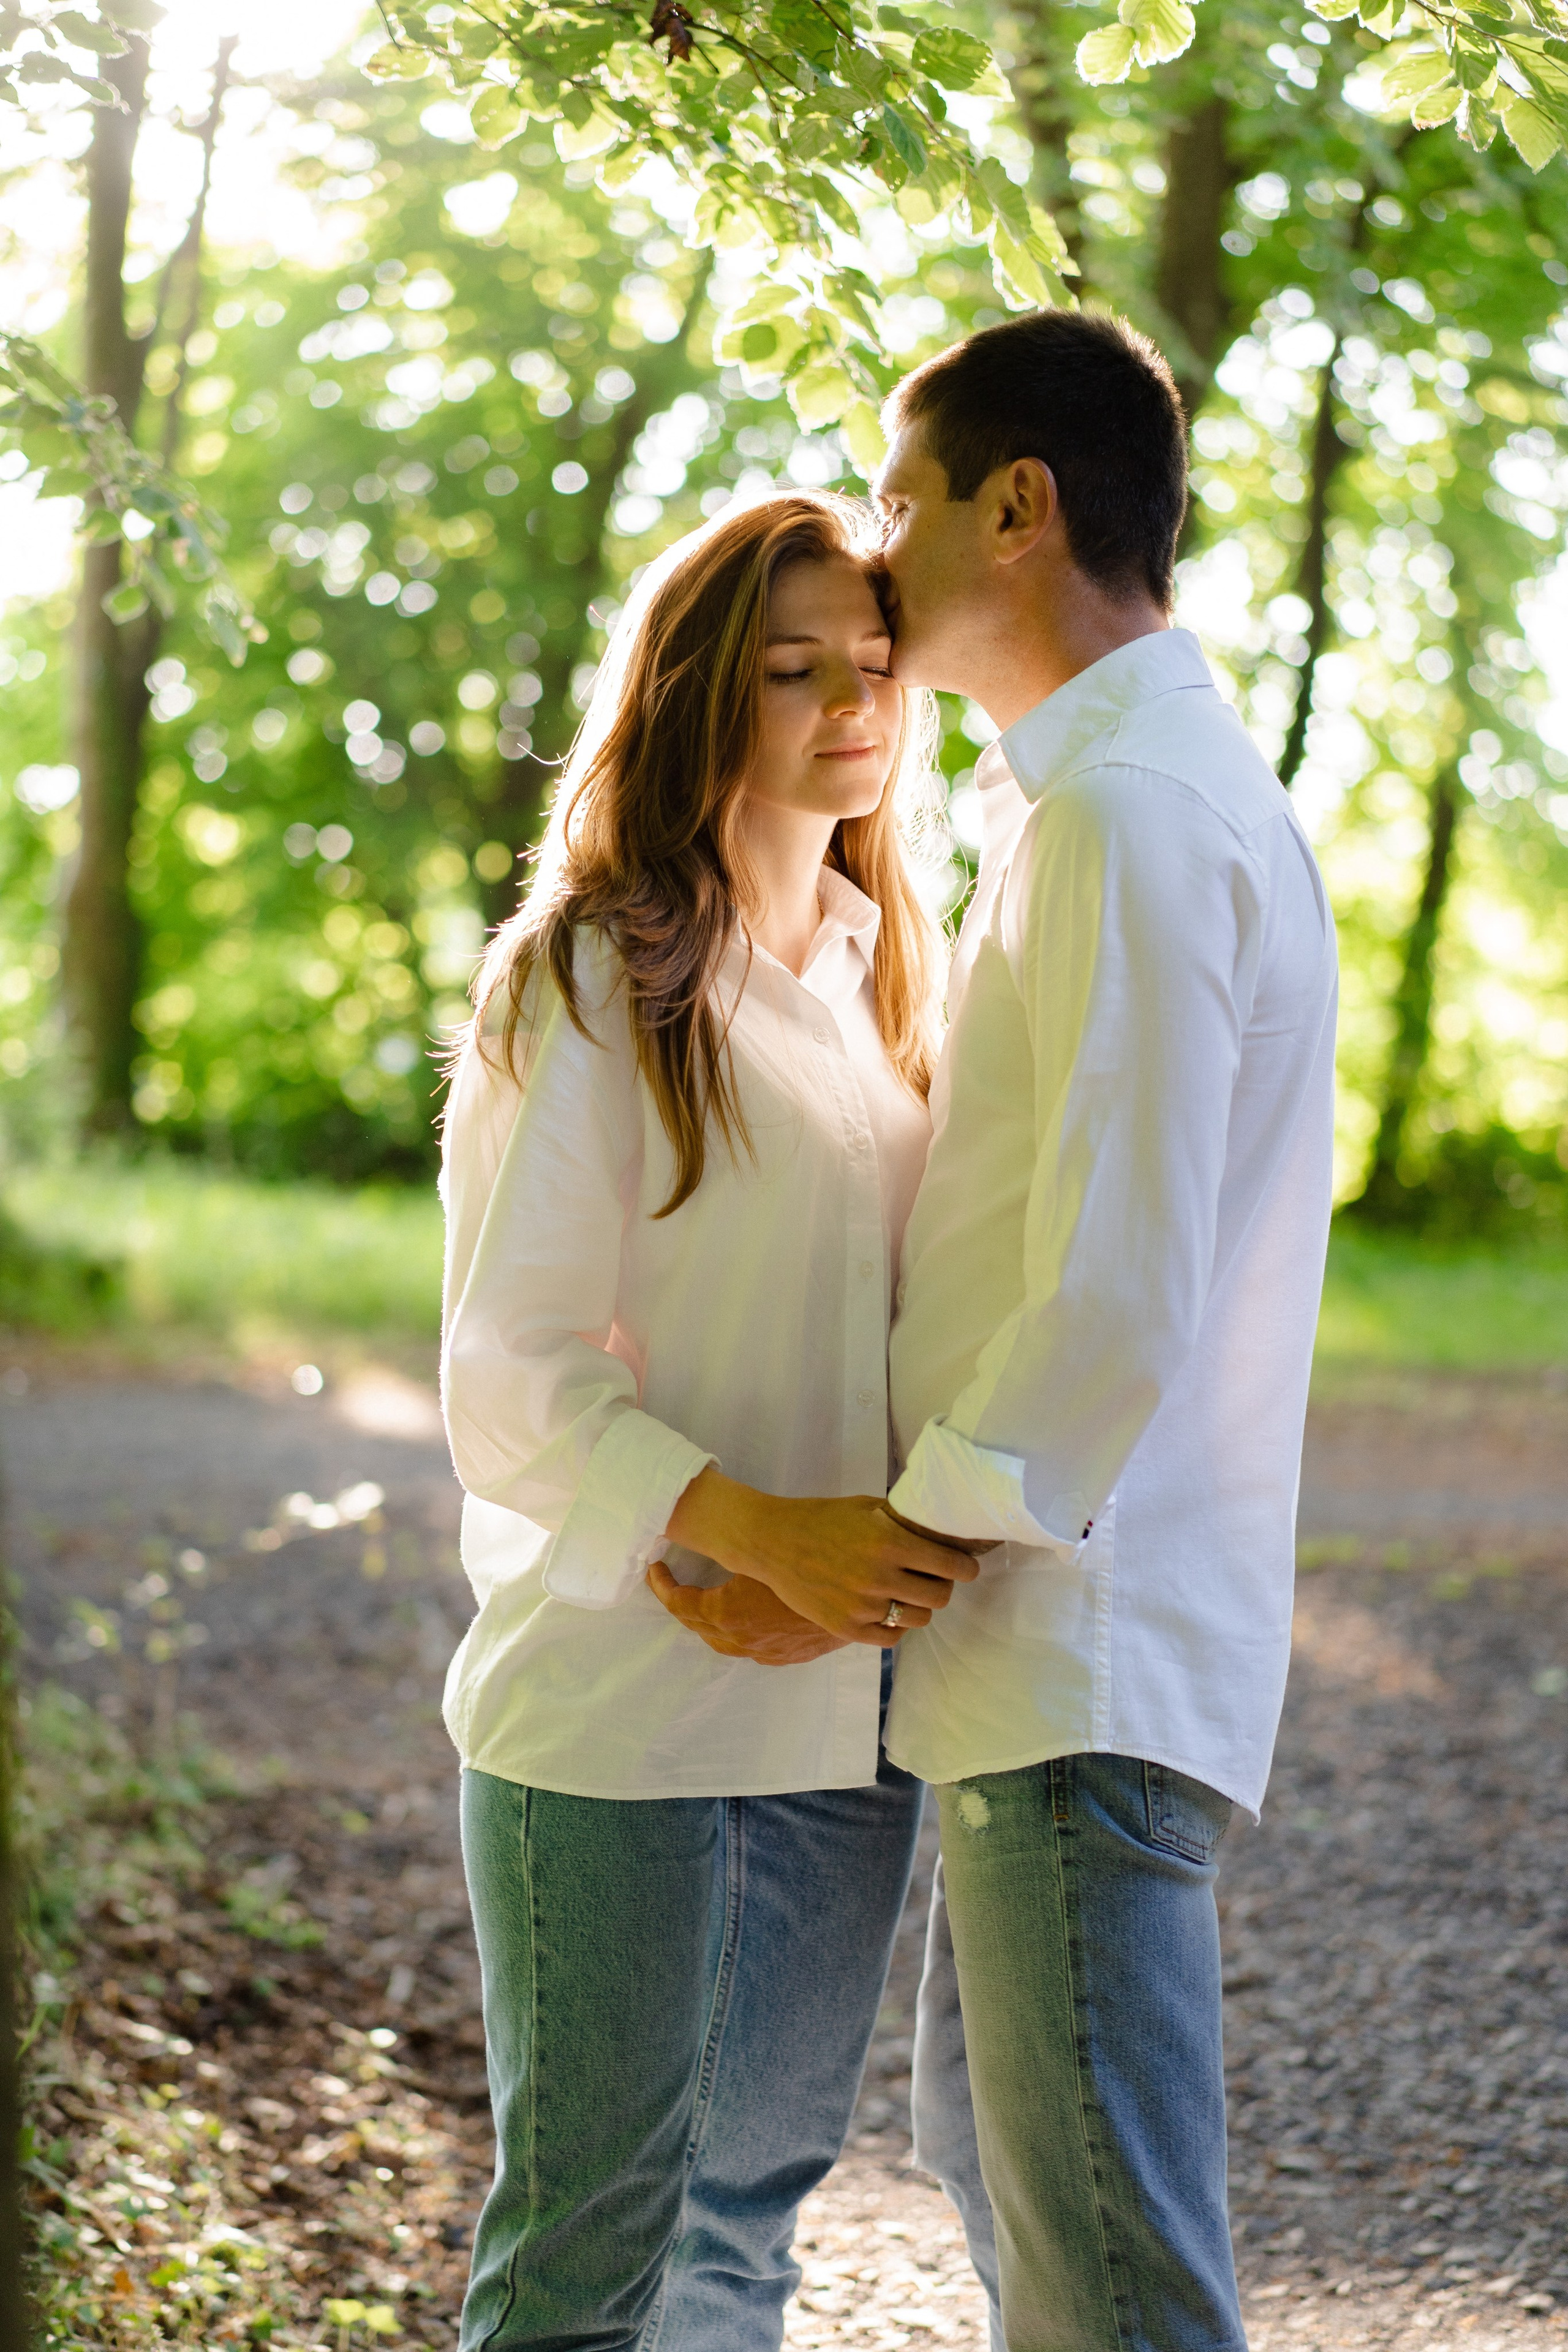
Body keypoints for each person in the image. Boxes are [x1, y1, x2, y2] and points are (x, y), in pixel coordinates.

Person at [439, 489, 976, 2352]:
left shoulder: (896, 980)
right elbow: (511, 1373)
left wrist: (850, 1577)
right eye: (793, 669)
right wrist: (757, 1530)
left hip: (845, 1711)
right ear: (696, 697)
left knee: (743, 2233)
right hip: (619, 1707)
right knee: (588, 2256)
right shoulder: (594, 971)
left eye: (878, 665)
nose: (855, 704)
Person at [875, 310, 1341, 2352]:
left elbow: (1122, 1277)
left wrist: (903, 1542)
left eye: (897, 499)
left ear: (1018, 506)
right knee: (1019, 2205)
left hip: (1078, 1648)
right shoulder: (1114, 794)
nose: (874, 548)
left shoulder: (1133, 811)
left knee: (1115, 2290)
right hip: (1052, 1655)